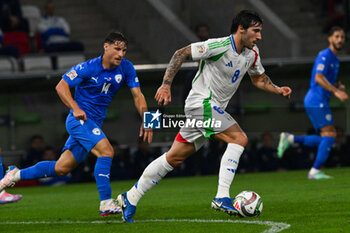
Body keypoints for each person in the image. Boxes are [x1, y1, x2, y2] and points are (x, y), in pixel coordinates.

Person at [116, 10, 292, 223]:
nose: (259, 37)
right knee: (239, 138)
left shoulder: (252, 53)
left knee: (174, 157)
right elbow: (180, 54)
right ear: (241, 29)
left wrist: (278, 90)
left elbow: (259, 78)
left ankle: (130, 197)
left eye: (260, 32)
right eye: (256, 31)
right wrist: (165, 84)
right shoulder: (218, 46)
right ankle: (222, 196)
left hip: (212, 110)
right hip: (201, 105)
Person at [0, 31, 152, 216]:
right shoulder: (88, 67)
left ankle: (13, 175)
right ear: (106, 47)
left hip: (93, 123)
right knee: (107, 151)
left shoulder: (127, 67)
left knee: (62, 168)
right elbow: (60, 86)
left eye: (124, 50)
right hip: (78, 120)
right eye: (117, 49)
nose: (121, 54)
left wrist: (148, 119)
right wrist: (75, 107)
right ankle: (105, 202)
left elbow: (138, 95)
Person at [277, 26, 348, 179]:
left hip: (319, 99)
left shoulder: (335, 59)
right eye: (336, 36)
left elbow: (326, 79)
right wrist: (336, 91)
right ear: (329, 39)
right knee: (330, 135)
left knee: (326, 137)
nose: (340, 40)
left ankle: (290, 139)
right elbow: (318, 78)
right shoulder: (325, 55)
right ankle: (315, 171)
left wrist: (337, 85)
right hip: (316, 99)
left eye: (342, 37)